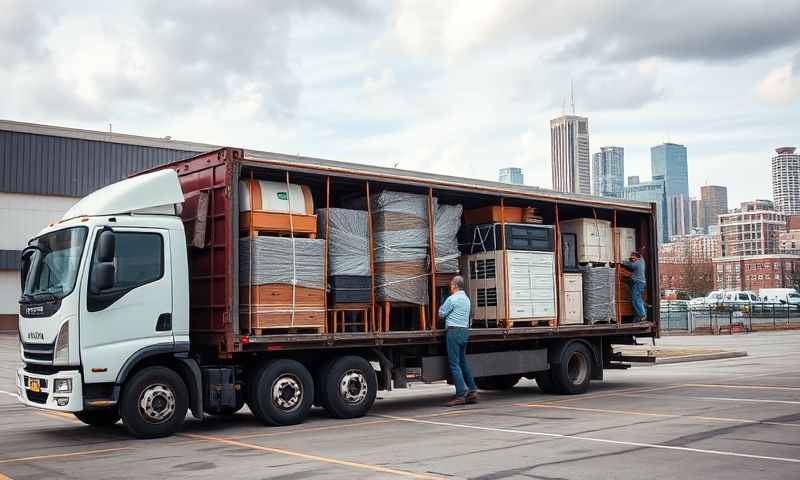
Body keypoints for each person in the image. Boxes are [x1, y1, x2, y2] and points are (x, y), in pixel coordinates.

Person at [438, 275, 478, 406]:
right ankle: (472, 390)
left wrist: (442, 302)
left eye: (451, 285)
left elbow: (441, 314)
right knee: (463, 362)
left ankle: (461, 394)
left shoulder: (452, 299)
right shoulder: (466, 299)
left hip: (454, 332)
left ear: (454, 285)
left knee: (454, 364)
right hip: (464, 332)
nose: (450, 287)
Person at [621, 250, 647, 321]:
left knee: (635, 299)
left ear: (636, 257)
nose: (632, 259)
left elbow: (631, 265)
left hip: (638, 283)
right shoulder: (642, 260)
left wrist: (621, 261)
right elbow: (639, 256)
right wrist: (634, 255)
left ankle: (642, 314)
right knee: (638, 299)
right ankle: (642, 314)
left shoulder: (637, 263)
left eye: (633, 258)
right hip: (640, 283)